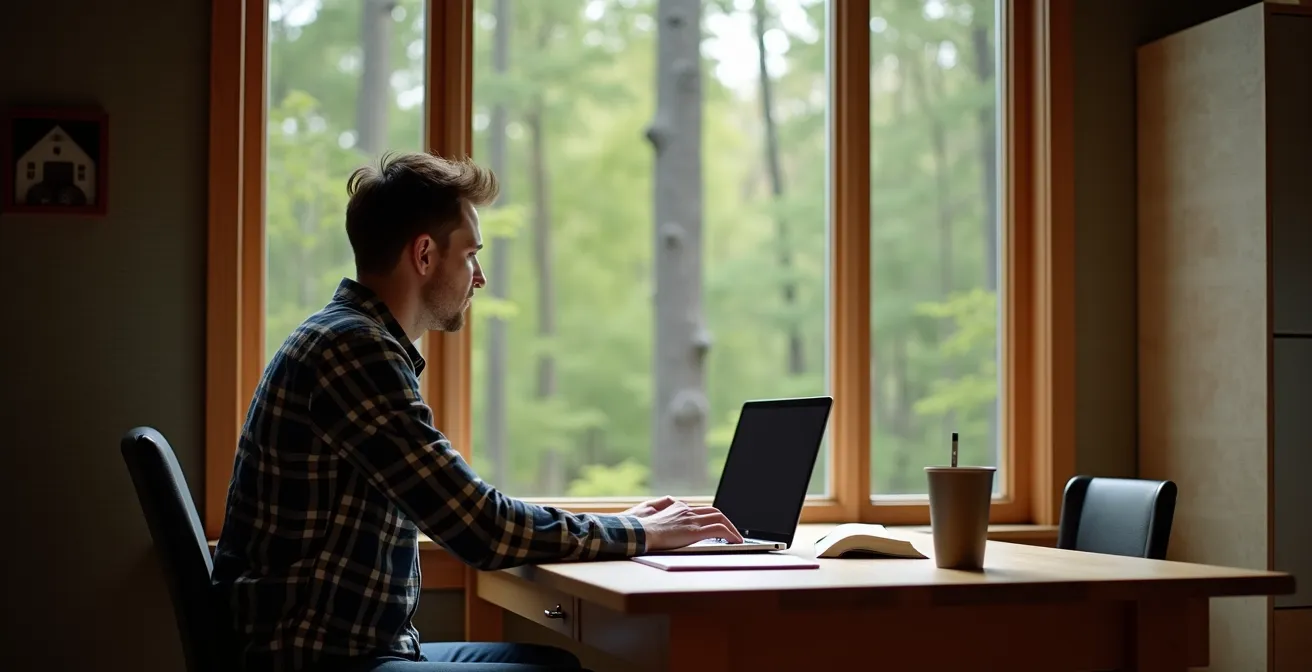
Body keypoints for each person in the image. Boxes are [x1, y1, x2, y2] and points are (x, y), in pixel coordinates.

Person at [210, 152, 743, 672]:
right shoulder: (355, 352)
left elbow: (468, 512)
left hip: (333, 647)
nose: (479, 276)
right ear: (424, 255)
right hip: (318, 658)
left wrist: (626, 525)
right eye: (469, 254)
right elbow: (481, 528)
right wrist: (639, 532)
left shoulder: (341, 338)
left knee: (552, 662)